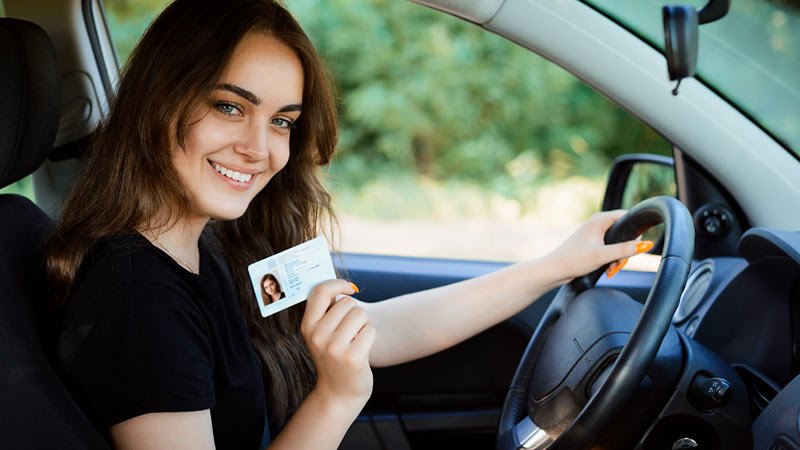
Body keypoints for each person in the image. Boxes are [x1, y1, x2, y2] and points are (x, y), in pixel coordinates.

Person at [46, 0, 650, 448]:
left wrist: (556, 266)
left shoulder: (207, 241)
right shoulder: (138, 299)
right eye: (230, 107)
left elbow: (370, 329)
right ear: (160, 101)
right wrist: (337, 396)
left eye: (282, 121)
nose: (260, 149)